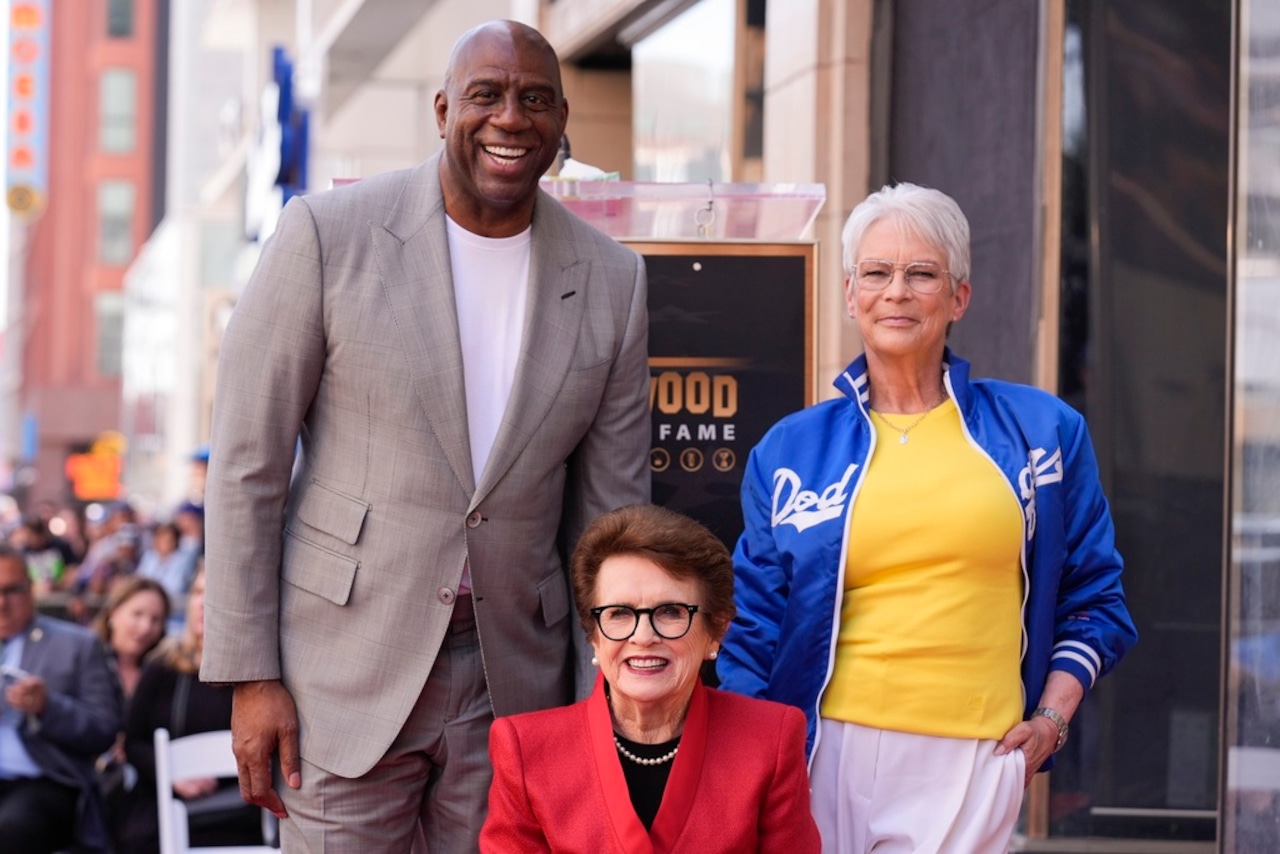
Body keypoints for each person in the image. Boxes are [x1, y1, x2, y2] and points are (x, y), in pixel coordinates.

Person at [200, 18, 650, 853]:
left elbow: (612, 516)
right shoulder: (326, 235)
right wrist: (250, 675)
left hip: (515, 680)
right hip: (339, 673)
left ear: (561, 122)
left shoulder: (614, 279)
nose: (510, 118)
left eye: (535, 100)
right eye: (486, 95)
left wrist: (609, 689)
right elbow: (245, 468)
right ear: (443, 111)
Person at [717, 183, 1139, 852]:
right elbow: (753, 627)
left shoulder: (1043, 431)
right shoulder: (791, 451)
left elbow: (1095, 599)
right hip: (823, 750)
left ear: (958, 297)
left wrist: (1052, 720)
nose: (897, 292)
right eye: (876, 273)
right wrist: (752, 769)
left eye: (922, 274)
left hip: (973, 756)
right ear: (850, 293)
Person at [481, 504, 820, 853]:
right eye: (619, 613)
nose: (643, 636)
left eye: (671, 612)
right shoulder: (525, 749)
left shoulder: (771, 739)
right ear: (594, 636)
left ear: (716, 631)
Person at [115, 567, 262, 852]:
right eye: (197, 592)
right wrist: (175, 776)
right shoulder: (163, 666)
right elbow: (134, 741)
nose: (203, 602)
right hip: (166, 797)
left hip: (236, 802)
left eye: (215, 593)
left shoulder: (255, 673)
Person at [0, 543, 123, 853]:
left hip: (46, 781)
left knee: (12, 828)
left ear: (31, 589)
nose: (2, 603)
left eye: (12, 590)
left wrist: (47, 707)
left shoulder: (77, 645)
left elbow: (104, 729)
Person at [93, 575, 170, 698]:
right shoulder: (89, 662)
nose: (146, 627)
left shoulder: (164, 673)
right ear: (114, 613)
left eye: (155, 619)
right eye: (137, 614)